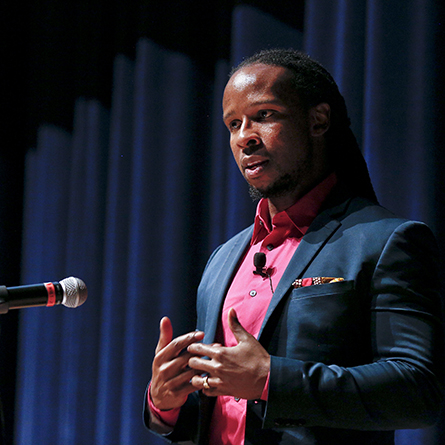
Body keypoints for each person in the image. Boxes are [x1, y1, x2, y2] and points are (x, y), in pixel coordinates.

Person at [143, 48, 444, 444]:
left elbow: (416, 390)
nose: (244, 138)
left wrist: (271, 380)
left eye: (264, 116)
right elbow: (225, 410)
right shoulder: (223, 259)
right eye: (233, 124)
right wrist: (165, 402)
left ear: (318, 120)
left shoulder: (387, 240)